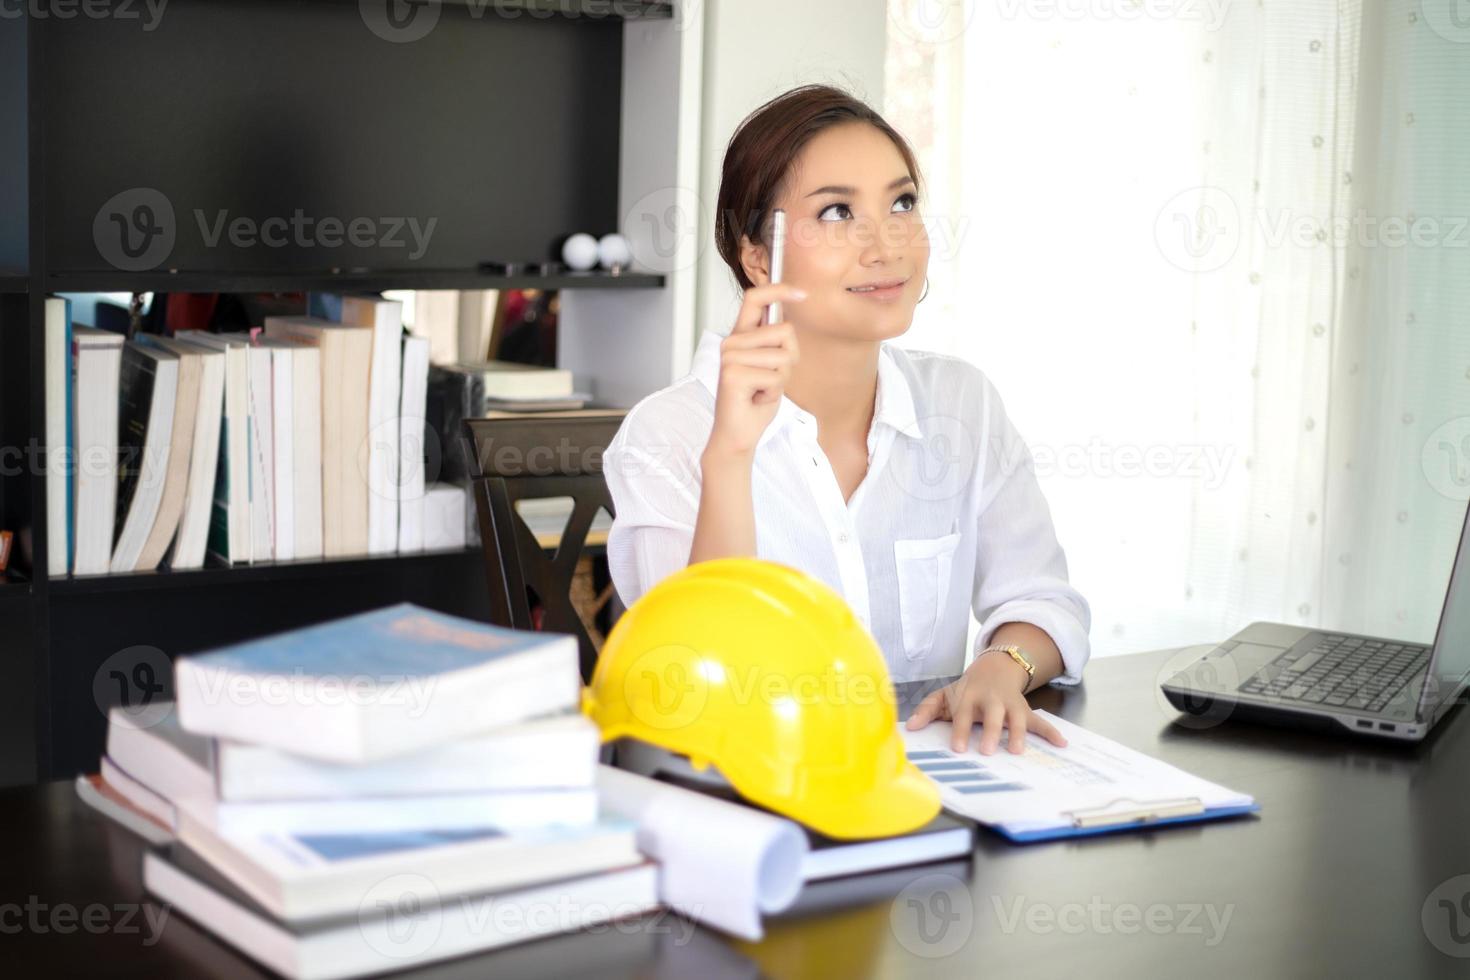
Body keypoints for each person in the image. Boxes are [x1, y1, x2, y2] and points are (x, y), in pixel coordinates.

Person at [603, 84, 1091, 755]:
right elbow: (699, 675)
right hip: (748, 800)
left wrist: (1003, 668)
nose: (885, 244)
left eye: (902, 203)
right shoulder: (669, 436)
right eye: (837, 211)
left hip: (936, 794)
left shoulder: (961, 403)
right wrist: (731, 459)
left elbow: (1043, 600)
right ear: (755, 256)